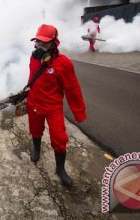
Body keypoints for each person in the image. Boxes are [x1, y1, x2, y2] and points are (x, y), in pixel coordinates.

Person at [27, 24, 87, 187]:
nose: (40, 47)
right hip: (34, 102)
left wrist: (79, 113)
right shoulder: (33, 58)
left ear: (54, 42)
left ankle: (60, 170)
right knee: (35, 129)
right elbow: (32, 79)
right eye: (38, 42)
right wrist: (26, 96)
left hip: (53, 106)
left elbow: (73, 89)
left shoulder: (64, 63)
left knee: (60, 138)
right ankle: (37, 150)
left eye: (44, 43)